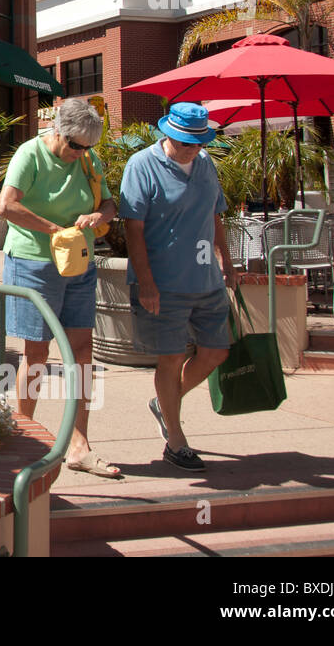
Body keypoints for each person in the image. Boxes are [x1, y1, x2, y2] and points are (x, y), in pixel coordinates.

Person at [0, 97, 119, 478]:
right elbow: (5, 206)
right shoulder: (29, 155)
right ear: (57, 131)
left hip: (78, 262)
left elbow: (112, 206)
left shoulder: (87, 160)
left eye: (87, 148)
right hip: (33, 262)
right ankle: (23, 443)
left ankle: (79, 445)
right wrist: (55, 230)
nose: (80, 153)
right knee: (36, 352)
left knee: (83, 350)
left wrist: (98, 215)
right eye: (75, 145)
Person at [120, 102, 238, 472]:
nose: (193, 148)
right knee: (169, 358)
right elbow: (132, 228)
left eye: (199, 142)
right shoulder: (141, 166)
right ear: (167, 134)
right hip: (164, 282)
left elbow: (214, 214)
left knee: (217, 351)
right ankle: (176, 440)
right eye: (186, 142)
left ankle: (164, 401)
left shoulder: (205, 165)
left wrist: (226, 261)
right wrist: (147, 282)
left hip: (206, 280)